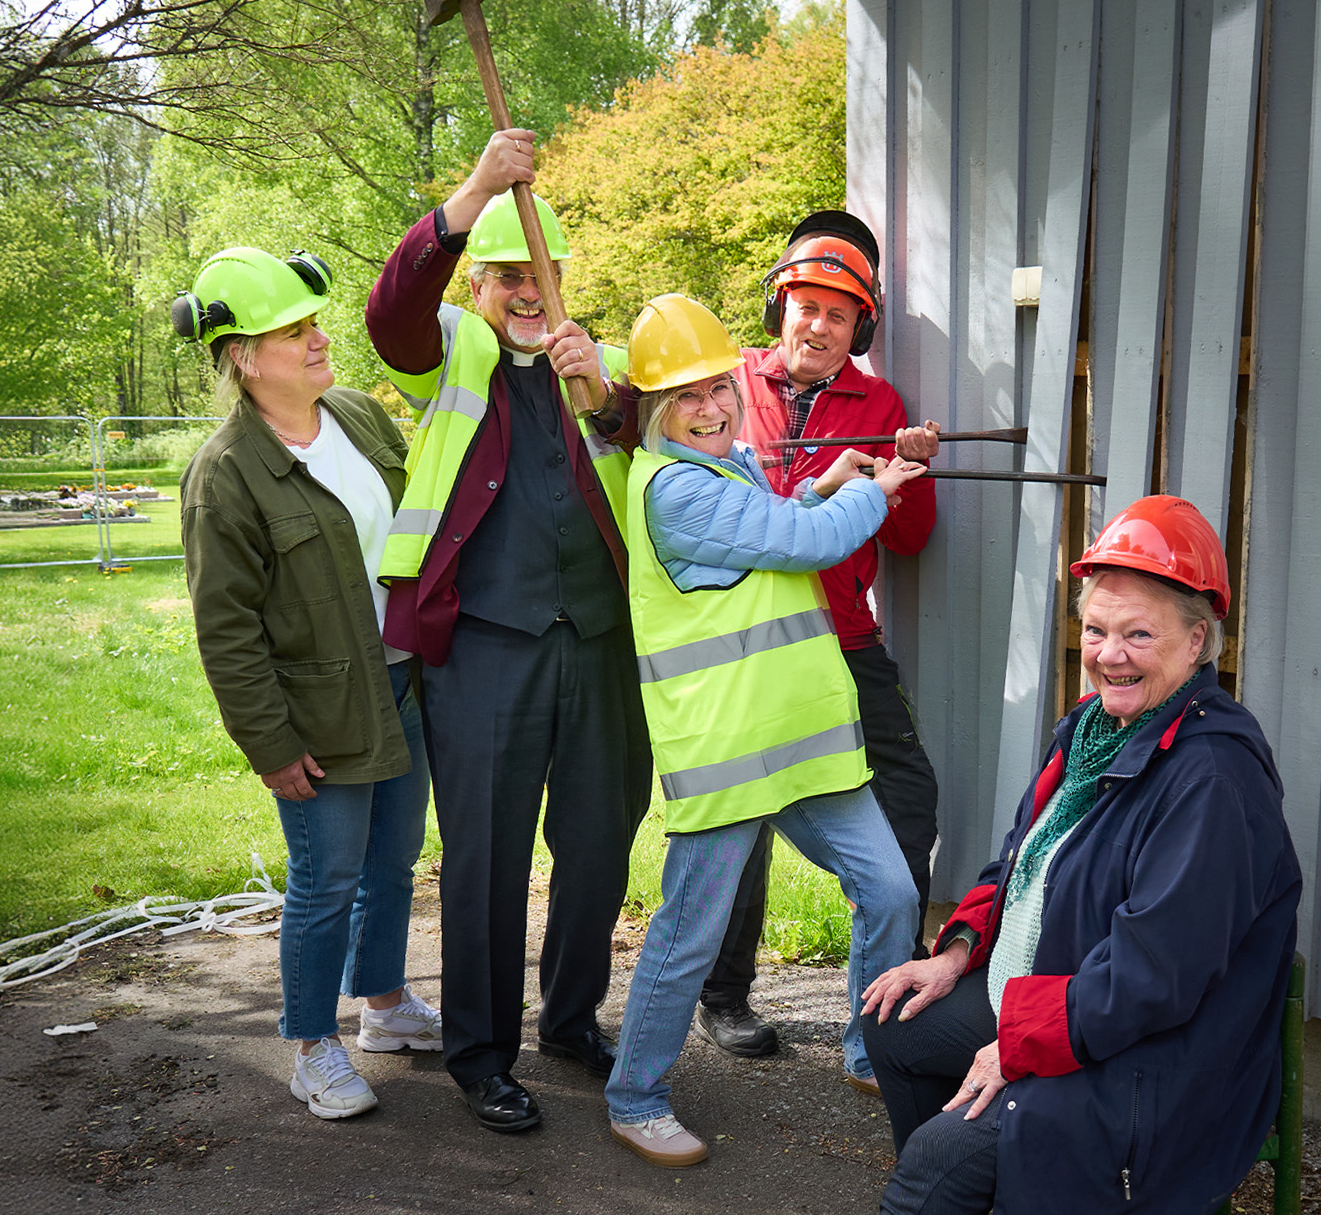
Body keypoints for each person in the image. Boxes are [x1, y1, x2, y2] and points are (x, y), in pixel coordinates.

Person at [859, 496, 1303, 1213]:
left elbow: (1152, 977)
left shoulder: (1213, 780)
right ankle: (974, 1183)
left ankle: (959, 1170)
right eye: (1096, 630)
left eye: (1138, 634)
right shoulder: (1094, 731)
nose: (1109, 655)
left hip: (1157, 1056)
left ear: (1197, 641)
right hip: (1068, 994)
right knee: (896, 1025)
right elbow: (1022, 861)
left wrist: (1016, 1046)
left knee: (939, 1160)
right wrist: (956, 952)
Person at [364, 130, 651, 1134]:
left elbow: (677, 432)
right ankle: (482, 1054)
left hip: (603, 643)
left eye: (543, 274)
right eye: (509, 276)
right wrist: (475, 190)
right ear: (478, 285)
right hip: (484, 645)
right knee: (485, 855)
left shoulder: (607, 364)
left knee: (600, 842)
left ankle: (570, 1020)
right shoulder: (452, 350)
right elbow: (391, 314)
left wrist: (606, 400)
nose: (529, 293)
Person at [603, 293, 925, 1166]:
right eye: (685, 396)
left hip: (803, 744)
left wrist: (829, 483)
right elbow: (800, 543)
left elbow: (768, 536)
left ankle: (870, 1051)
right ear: (654, 409)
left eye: (718, 387)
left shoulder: (722, 468)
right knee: (688, 936)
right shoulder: (671, 487)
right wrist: (875, 491)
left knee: (892, 893)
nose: (710, 407)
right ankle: (635, 1098)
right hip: (729, 753)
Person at [176, 246, 439, 1121]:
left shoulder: (358, 417)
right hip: (318, 715)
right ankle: (311, 1045)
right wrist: (271, 744)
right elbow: (227, 628)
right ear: (244, 357)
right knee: (326, 878)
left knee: (394, 862)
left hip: (403, 686)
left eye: (314, 323)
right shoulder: (225, 472)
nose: (319, 339)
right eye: (294, 331)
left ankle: (385, 1006)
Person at [698, 210, 944, 1071]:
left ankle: (884, 1006)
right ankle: (723, 995)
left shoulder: (882, 406)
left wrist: (909, 473)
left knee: (908, 794)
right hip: (748, 641)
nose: (819, 326)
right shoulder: (725, 383)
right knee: (743, 811)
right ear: (781, 309)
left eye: (839, 316)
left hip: (843, 636)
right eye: (807, 307)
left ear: (858, 330)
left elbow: (909, 538)